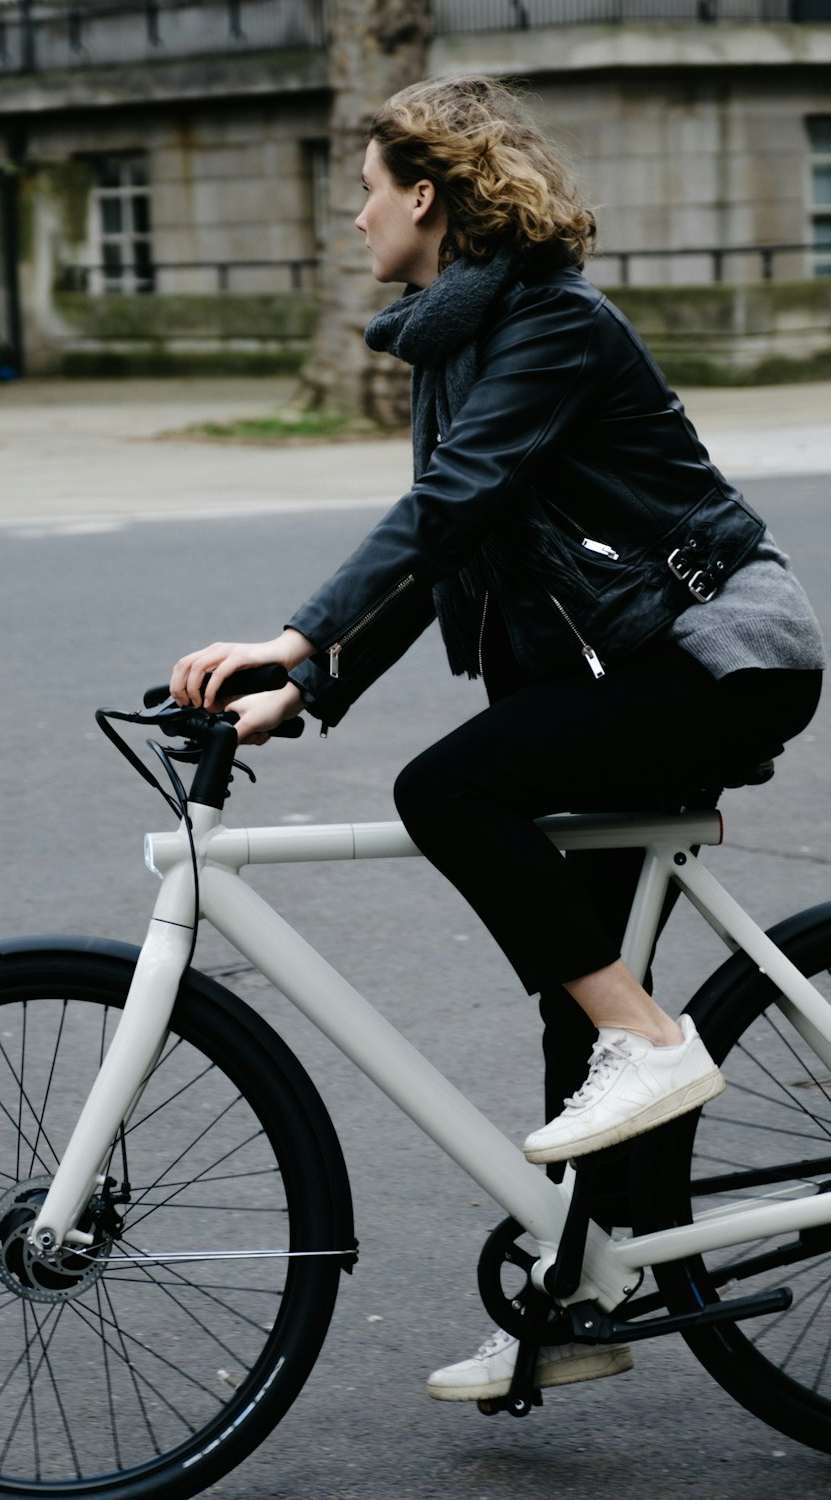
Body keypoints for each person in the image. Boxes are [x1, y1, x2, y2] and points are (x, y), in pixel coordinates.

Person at [170, 76, 825, 1406]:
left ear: (426, 194)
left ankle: (650, 1040)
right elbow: (451, 547)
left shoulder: (552, 325)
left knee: (451, 790)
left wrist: (292, 638)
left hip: (719, 658)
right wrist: (314, 691)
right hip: (640, 666)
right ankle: (588, 1294)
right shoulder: (459, 341)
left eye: (363, 188)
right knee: (565, 987)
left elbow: (449, 506)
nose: (352, 217)